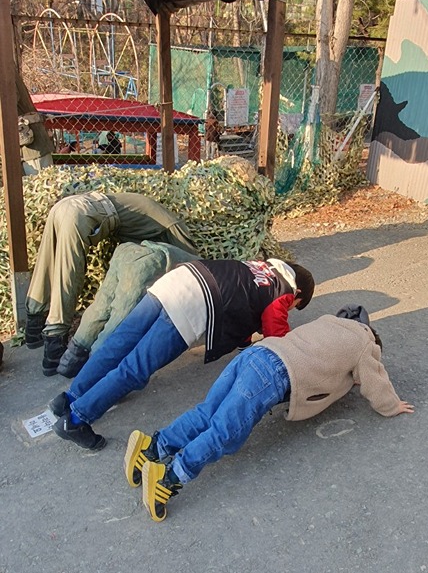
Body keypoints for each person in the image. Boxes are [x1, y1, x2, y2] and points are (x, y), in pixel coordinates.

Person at [121, 305, 414, 522]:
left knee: (206, 412)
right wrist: (392, 406)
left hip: (257, 353)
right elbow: (376, 383)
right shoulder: (365, 344)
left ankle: (152, 448)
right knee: (225, 433)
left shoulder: (330, 322)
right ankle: (167, 479)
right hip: (273, 374)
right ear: (373, 339)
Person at [50, 258, 315, 449]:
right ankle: (76, 419)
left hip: (176, 280)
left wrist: (244, 344)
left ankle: (71, 396)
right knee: (135, 369)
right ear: (298, 292)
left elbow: (241, 304)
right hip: (190, 307)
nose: (290, 308)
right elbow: (277, 336)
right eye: (296, 306)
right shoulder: (284, 291)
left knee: (116, 345)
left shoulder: (261, 267)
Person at [24, 191, 198, 375]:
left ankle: (33, 328)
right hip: (82, 212)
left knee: (46, 262)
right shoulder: (173, 227)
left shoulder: (142, 219)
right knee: (68, 271)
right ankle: (54, 343)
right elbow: (189, 262)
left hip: (68, 205)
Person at [57, 240, 199, 378]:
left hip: (127, 250)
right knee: (121, 315)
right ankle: (97, 368)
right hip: (149, 261)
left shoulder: (200, 263)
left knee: (102, 305)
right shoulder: (204, 273)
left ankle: (69, 361)